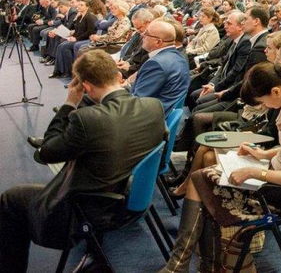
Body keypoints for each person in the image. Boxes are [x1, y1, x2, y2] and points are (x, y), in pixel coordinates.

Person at [0, 50, 166, 273]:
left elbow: (45, 153)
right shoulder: (153, 106)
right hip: (127, 194)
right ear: (118, 76)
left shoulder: (86, 119)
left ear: (85, 87)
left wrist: (70, 103)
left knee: (11, 198)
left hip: (85, 209)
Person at [159, 62, 281, 273]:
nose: (264, 106)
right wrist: (263, 154)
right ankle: (189, 263)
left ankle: (183, 263)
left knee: (200, 182)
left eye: (263, 101)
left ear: (275, 90)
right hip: (276, 179)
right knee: (201, 179)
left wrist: (253, 171)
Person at [131, 20, 191, 115]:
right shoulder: (179, 57)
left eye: (147, 34)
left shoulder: (156, 64)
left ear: (158, 42)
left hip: (148, 119)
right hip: (161, 113)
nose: (142, 35)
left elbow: (136, 103)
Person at [50, 0, 98, 79]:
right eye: (78, 5)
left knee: (65, 47)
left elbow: (90, 32)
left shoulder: (90, 17)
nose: (78, 6)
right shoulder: (79, 17)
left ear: (87, 7)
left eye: (81, 5)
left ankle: (70, 72)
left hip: (87, 39)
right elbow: (77, 30)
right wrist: (72, 37)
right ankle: (59, 71)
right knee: (61, 45)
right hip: (79, 38)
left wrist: (76, 38)